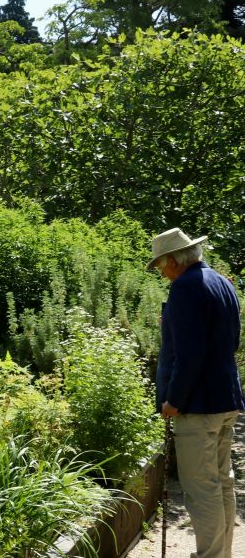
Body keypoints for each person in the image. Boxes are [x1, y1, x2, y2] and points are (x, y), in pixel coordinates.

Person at [151, 227, 245, 558]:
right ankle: (221, 554)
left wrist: (174, 399)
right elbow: (229, 340)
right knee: (220, 483)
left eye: (161, 266)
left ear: (173, 261)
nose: (162, 274)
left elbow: (190, 355)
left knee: (202, 490)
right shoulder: (221, 282)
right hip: (225, 397)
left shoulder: (185, 288)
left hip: (198, 405)